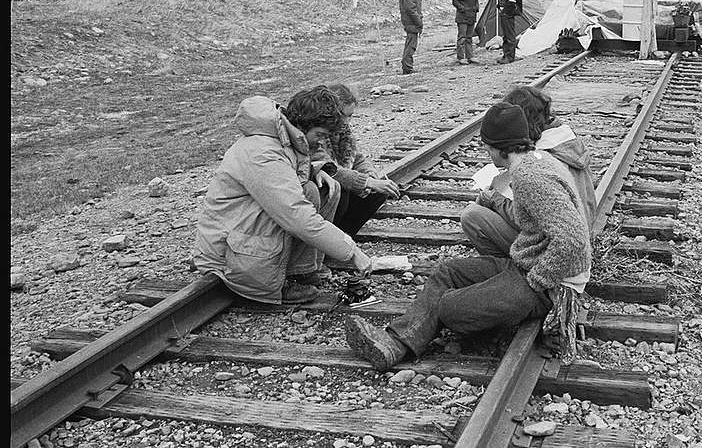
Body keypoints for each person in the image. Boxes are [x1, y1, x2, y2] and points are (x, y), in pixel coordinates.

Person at [344, 102, 591, 370]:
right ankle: (396, 343)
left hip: (548, 286)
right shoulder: (536, 162)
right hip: (525, 263)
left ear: (502, 147)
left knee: (449, 308)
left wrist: (538, 280)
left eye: (487, 146)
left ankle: (439, 325)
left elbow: (574, 239)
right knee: (447, 272)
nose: (486, 152)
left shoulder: (531, 178)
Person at [193, 86, 374, 305]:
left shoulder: (283, 137)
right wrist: (352, 251)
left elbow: (286, 176)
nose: (319, 143)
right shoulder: (263, 153)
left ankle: (298, 272)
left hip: (241, 231)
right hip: (226, 252)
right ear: (301, 124)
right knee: (299, 204)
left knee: (314, 189)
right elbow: (295, 213)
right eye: (319, 135)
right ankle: (275, 279)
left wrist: (317, 170)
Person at [461, 86, 598, 257]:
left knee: (472, 216)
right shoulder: (566, 141)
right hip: (579, 234)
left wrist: (495, 199)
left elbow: (532, 218)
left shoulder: (540, 162)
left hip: (556, 250)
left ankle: (508, 269)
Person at [311, 84, 401, 266]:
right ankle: (328, 245)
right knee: (338, 191)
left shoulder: (343, 132)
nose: (346, 122)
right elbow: (331, 170)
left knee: (377, 192)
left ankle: (344, 240)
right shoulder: (316, 134)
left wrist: (370, 174)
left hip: (337, 184)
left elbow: (357, 158)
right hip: (318, 191)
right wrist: (366, 182)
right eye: (344, 116)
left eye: (350, 116)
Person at [494, 0, 523, 64]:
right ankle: (506, 54)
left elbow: (512, 1)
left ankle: (510, 56)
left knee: (510, 35)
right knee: (506, 35)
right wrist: (499, 7)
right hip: (505, 13)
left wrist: (505, 10)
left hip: (509, 14)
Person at [398, 0, 424, 74]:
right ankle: (407, 67)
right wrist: (418, 21)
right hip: (411, 21)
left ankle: (407, 66)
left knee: (410, 43)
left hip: (410, 20)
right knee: (411, 45)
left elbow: (416, 1)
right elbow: (410, 8)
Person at [451, 0, 479, 65]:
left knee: (469, 37)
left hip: (472, 15)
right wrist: (463, 8)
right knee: (462, 37)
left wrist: (476, 8)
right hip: (462, 16)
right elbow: (455, 1)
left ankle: (470, 56)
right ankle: (460, 57)